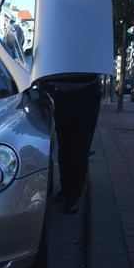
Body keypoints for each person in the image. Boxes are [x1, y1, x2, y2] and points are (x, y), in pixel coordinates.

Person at [44, 74, 102, 214]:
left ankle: (73, 196)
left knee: (79, 148)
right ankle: (66, 189)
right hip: (63, 94)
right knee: (64, 147)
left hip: (86, 94)